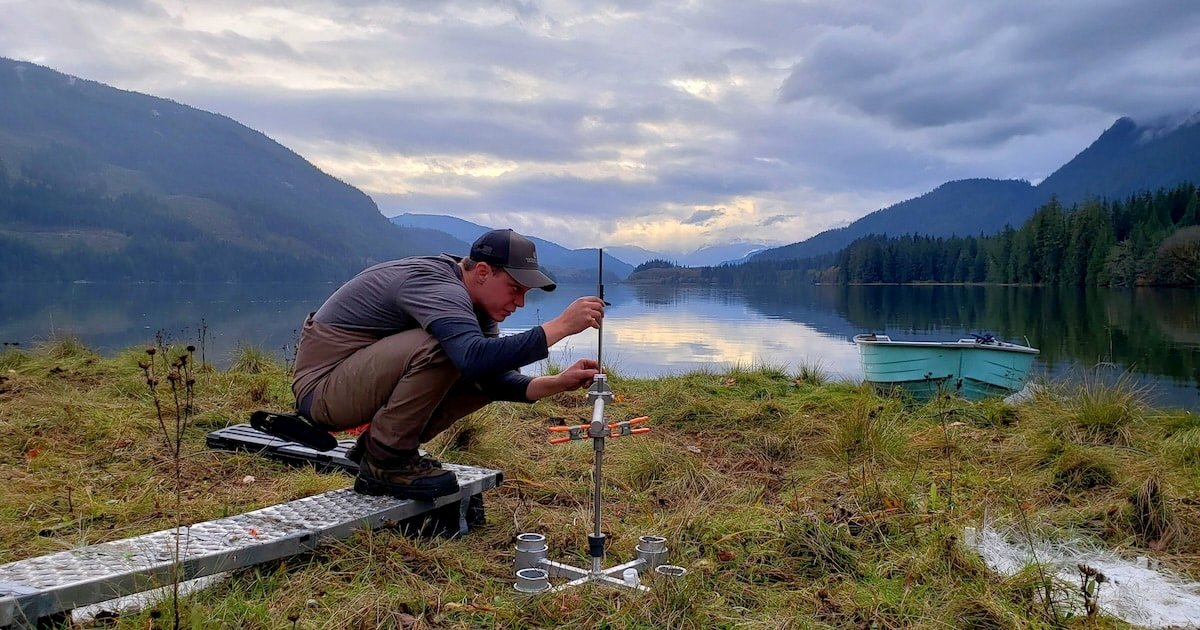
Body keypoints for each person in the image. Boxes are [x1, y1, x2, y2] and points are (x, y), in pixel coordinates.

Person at [285, 228, 605, 500]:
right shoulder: (437, 285)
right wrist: (560, 326)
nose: (520, 303)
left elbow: (490, 377)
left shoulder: (472, 303)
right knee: (446, 350)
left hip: (352, 382)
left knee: (475, 360)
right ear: (481, 272)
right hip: (324, 390)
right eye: (515, 289)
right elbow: (472, 357)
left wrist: (557, 382)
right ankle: (387, 460)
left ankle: (378, 448)